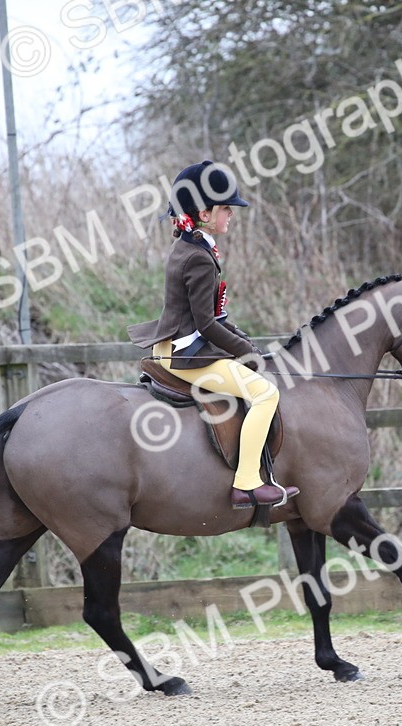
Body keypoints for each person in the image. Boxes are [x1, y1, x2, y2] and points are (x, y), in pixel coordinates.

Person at [127, 161, 299, 510]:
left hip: (171, 345)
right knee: (266, 393)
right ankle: (248, 482)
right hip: (186, 356)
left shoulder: (190, 246)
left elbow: (214, 315)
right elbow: (206, 325)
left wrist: (241, 339)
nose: (231, 214)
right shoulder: (200, 258)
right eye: (225, 209)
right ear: (204, 213)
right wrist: (246, 349)